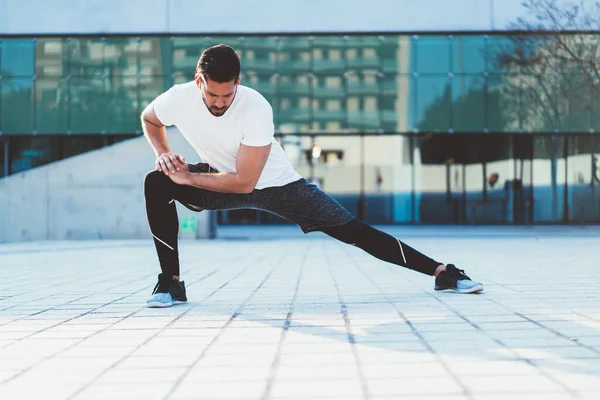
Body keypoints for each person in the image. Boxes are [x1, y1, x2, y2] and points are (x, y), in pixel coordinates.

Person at [141, 44, 483, 308]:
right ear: (199, 81)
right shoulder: (179, 98)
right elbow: (150, 119)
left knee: (354, 232)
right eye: (212, 95)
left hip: (278, 186)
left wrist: (188, 179)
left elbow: (246, 183)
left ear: (238, 83)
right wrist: (165, 155)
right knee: (157, 182)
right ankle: (171, 282)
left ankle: (442, 273)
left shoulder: (255, 107)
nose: (219, 103)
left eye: (227, 95)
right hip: (221, 179)